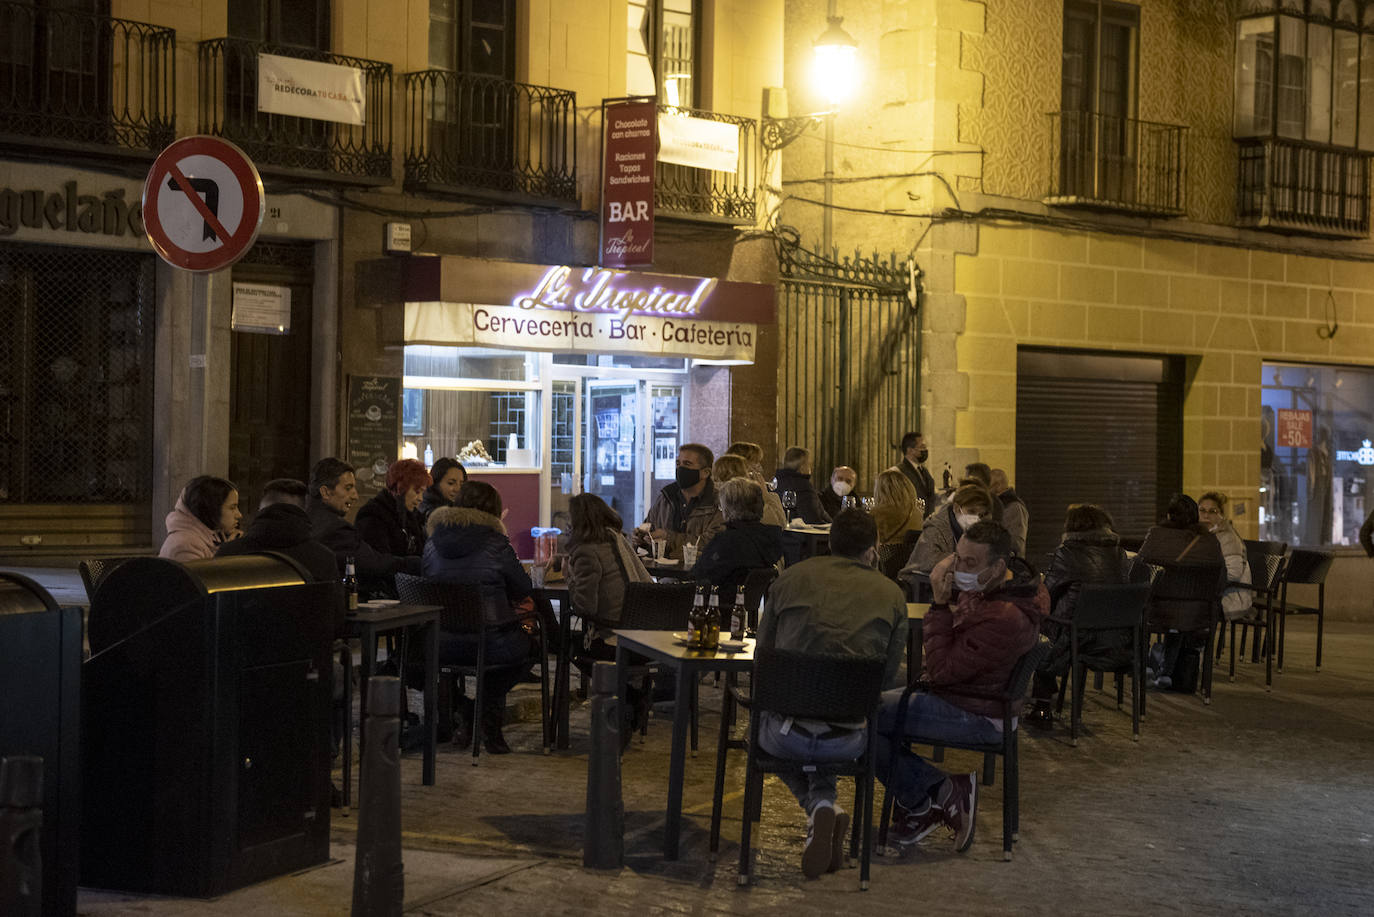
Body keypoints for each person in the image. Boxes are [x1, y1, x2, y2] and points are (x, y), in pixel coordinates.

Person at [879, 520, 1046, 853]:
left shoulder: (1004, 615)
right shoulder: (1011, 591)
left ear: (998, 566)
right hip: (976, 699)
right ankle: (925, 799)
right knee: (869, 707)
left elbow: (941, 671)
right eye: (958, 559)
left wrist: (939, 606)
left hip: (978, 714)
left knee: (860, 716)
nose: (961, 570)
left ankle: (936, 793)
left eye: (971, 564)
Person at [756, 509, 906, 878]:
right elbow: (885, 677)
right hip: (849, 739)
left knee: (754, 733)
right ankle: (824, 803)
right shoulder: (892, 595)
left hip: (785, 736)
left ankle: (818, 806)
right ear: (874, 548)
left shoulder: (789, 580)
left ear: (828, 541)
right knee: (838, 719)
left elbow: (764, 656)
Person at [424, 481, 534, 754]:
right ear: (494, 512)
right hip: (490, 642)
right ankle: (484, 721)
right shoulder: (496, 543)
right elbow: (523, 588)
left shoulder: (431, 542)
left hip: (439, 643)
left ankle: (466, 713)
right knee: (533, 646)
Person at [1027, 503, 1135, 728]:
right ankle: (1047, 694)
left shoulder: (1067, 553)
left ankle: (1042, 706)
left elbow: (1049, 592)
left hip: (1074, 640)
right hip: (1117, 639)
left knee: (1039, 625)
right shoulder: (1120, 555)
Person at [1139, 493, 1223, 691]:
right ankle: (1167, 672)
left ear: (1169, 516)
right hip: (1199, 616)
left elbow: (1139, 570)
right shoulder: (1210, 542)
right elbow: (1221, 581)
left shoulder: (1156, 535)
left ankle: (1145, 666)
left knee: (1147, 611)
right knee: (1180, 617)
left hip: (1156, 613)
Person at [307, 457, 420, 597]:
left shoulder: (309, 520)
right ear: (325, 492)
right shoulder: (335, 529)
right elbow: (372, 563)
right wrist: (415, 564)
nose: (355, 495)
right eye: (348, 488)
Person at [565, 492, 652, 653]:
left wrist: (569, 577)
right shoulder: (616, 540)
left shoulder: (586, 552)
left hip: (612, 641)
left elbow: (585, 608)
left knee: (564, 644)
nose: (567, 524)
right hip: (643, 637)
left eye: (570, 518)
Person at [216, 478, 339, 584]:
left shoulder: (229, 554)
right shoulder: (323, 559)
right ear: (303, 511)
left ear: (261, 509)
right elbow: (334, 609)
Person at [694, 478, 784, 597]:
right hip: (747, 603)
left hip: (717, 602)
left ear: (729, 508)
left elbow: (701, 572)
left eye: (721, 506)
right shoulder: (770, 538)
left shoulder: (727, 541)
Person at [641, 443, 723, 557]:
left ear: (705, 472)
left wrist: (669, 538)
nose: (680, 469)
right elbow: (650, 527)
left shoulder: (718, 502)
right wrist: (641, 538)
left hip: (700, 572)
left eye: (687, 464)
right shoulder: (666, 498)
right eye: (678, 463)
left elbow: (712, 543)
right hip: (665, 572)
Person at [901, 483, 996, 577]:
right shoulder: (936, 528)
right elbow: (927, 560)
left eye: (981, 514)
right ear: (956, 508)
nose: (976, 518)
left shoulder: (974, 529)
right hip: (919, 585)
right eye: (971, 511)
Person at [355, 458, 430, 558]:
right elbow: (378, 562)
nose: (420, 498)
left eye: (422, 493)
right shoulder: (373, 515)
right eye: (417, 492)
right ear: (400, 488)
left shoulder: (412, 517)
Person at [1198, 492, 1253, 621]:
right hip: (1211, 592)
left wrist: (1203, 580)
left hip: (1231, 596)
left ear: (1221, 515)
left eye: (1212, 511)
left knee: (1190, 606)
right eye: (1202, 510)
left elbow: (1233, 573)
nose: (1206, 516)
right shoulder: (1200, 535)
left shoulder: (1228, 538)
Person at [160, 475, 241, 562]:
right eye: (232, 508)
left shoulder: (215, 536)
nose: (239, 515)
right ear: (211, 508)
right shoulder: (185, 545)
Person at [714, 453, 786, 528]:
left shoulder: (725, 497)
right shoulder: (737, 502)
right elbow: (777, 527)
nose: (759, 469)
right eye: (749, 472)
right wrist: (764, 495)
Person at [773, 446, 831, 524]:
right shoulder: (803, 486)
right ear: (802, 467)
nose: (811, 467)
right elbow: (812, 517)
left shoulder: (776, 481)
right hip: (801, 534)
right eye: (809, 464)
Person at [872, 468, 923, 546]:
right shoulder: (917, 513)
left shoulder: (878, 514)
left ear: (881, 490)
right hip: (911, 557)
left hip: (885, 556)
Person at [989, 469, 1028, 557]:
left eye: (988, 485)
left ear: (998, 485)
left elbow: (1015, 543)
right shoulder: (998, 505)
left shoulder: (1014, 507)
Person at [418, 457, 466, 524]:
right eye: (451, 483)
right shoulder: (428, 512)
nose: (458, 489)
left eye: (461, 484)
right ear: (436, 483)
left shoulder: (461, 506)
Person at [896, 432, 936, 510]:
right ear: (910, 450)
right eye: (922, 447)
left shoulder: (924, 471)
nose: (925, 450)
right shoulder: (900, 471)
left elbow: (930, 495)